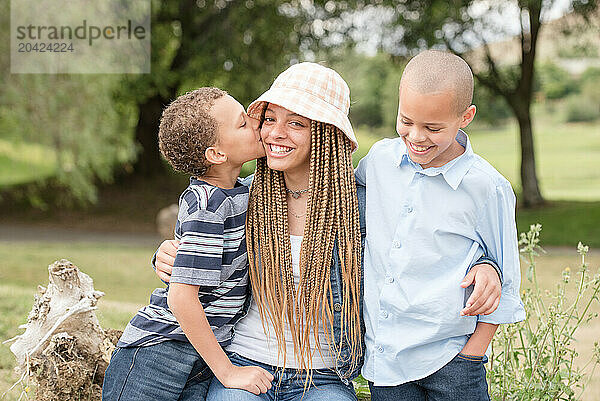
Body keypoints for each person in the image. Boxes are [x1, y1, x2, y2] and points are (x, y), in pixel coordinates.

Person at [153, 62, 504, 400]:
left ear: (324, 133)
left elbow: (428, 237)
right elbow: (200, 248)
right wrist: (166, 254)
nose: (275, 132)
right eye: (270, 119)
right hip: (246, 360)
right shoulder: (242, 199)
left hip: (324, 374)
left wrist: (486, 264)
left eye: (296, 124)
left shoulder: (360, 207)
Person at [355, 50, 526, 401]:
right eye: (406, 120)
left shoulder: (486, 188)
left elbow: (505, 282)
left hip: (452, 361)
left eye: (433, 128)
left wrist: (472, 355)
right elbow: (339, 202)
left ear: (466, 117)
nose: (416, 136)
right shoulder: (379, 162)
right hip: (386, 359)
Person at [102, 88, 273, 401]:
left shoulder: (238, 194)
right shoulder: (208, 206)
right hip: (160, 353)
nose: (255, 124)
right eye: (241, 123)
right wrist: (228, 372)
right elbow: (181, 299)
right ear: (217, 154)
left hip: (200, 355)